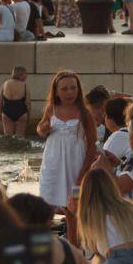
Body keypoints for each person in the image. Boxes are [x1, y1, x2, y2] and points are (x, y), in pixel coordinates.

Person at [37, 70, 97, 210]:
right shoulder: (51, 109)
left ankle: (73, 232)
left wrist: (84, 171)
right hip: (53, 161)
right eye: (64, 89)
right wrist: (43, 129)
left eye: (73, 88)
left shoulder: (85, 113)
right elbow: (40, 128)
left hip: (75, 162)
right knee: (46, 203)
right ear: (56, 92)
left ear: (78, 89)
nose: (70, 92)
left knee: (73, 207)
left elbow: (92, 144)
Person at [0, 65, 32, 137]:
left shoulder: (4, 84)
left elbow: (0, 102)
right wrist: (29, 116)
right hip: (21, 112)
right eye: (25, 74)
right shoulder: (25, 85)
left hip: (7, 112)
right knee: (20, 138)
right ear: (21, 74)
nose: (26, 76)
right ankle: (19, 148)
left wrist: (1, 114)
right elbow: (28, 103)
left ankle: (8, 148)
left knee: (8, 137)